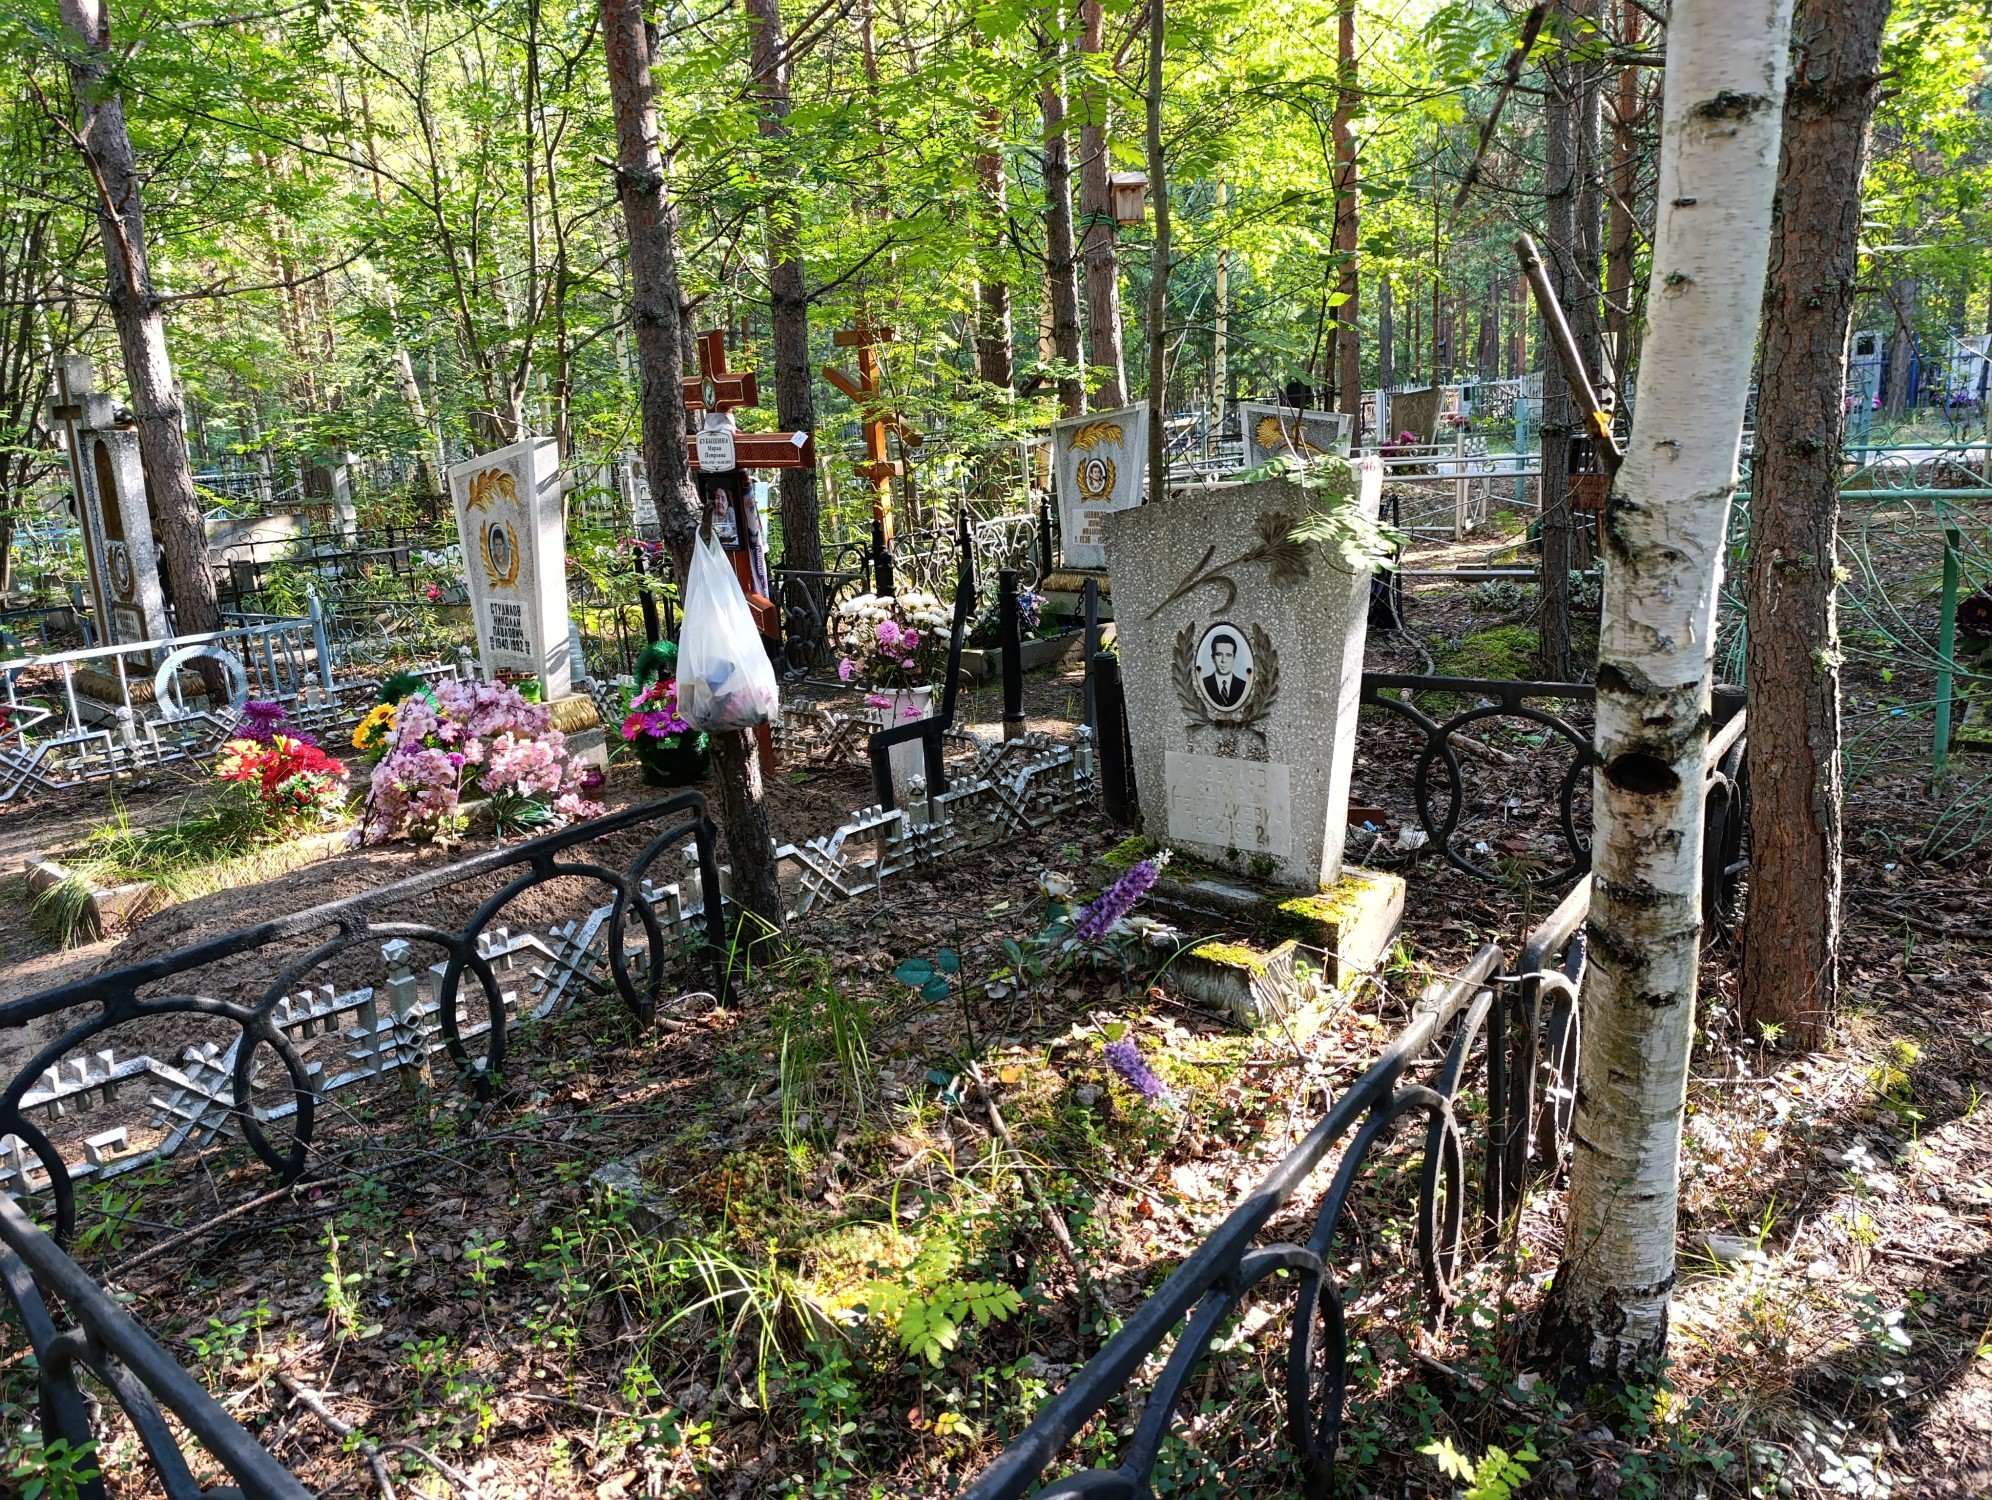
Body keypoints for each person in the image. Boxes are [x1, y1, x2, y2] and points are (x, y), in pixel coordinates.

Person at [1202, 630, 1248, 707]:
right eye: (1219, 654)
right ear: (1213, 658)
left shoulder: (1243, 686)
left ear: (1234, 659)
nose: (1223, 660)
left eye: (1228, 655)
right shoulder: (1204, 684)